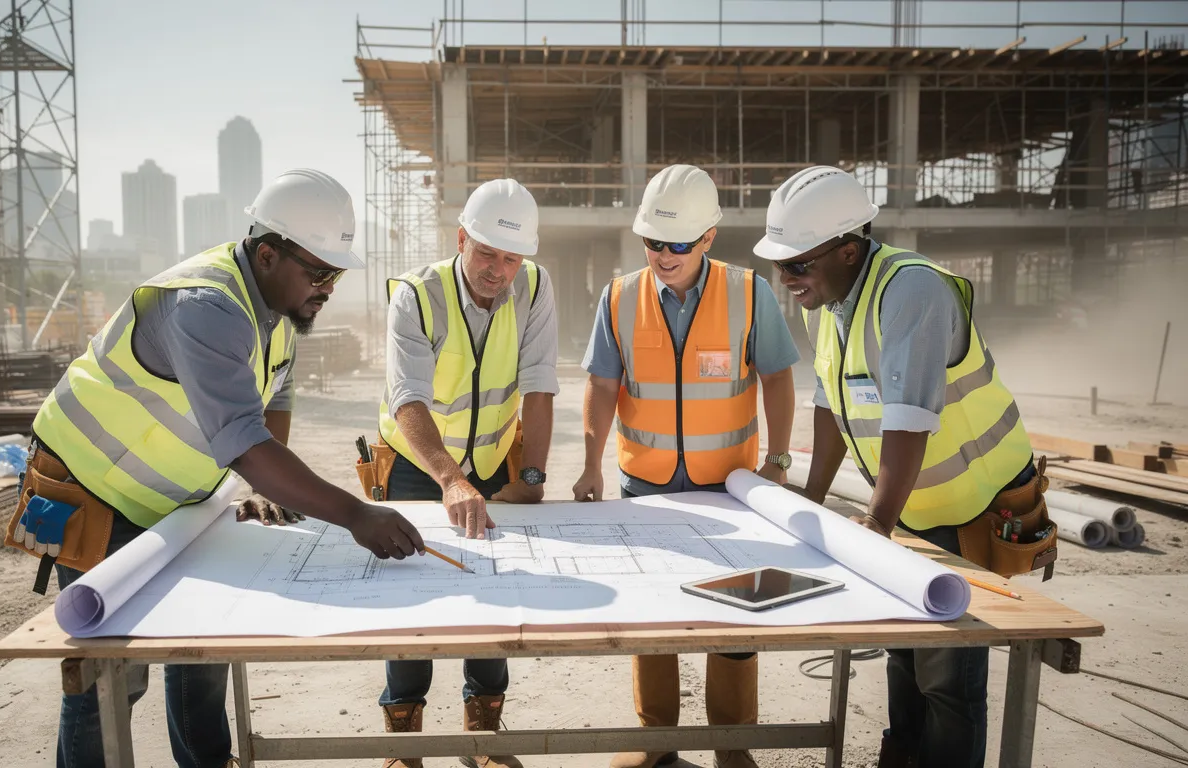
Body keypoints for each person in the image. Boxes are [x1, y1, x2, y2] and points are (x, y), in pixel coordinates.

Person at [8, 169, 425, 768]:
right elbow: (245, 443)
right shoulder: (207, 307)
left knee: (202, 645)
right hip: (92, 489)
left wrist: (271, 488)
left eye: (336, 273)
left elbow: (272, 402)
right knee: (109, 674)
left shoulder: (277, 313)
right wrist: (353, 513)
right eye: (319, 272)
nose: (329, 287)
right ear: (266, 254)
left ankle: (207, 762)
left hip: (175, 502)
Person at [753, 165, 1048, 768]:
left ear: (849, 250)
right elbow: (831, 404)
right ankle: (901, 756)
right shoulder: (826, 302)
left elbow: (909, 418)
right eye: (779, 266)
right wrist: (811, 497)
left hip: (973, 506)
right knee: (902, 650)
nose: (786, 280)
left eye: (797, 265)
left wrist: (877, 522)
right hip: (912, 504)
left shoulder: (911, 291)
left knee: (947, 676)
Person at [575, 164, 800, 768]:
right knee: (653, 610)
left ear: (708, 237)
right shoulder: (619, 296)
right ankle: (656, 740)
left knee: (736, 617)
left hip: (732, 487)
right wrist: (592, 461)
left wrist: (778, 460)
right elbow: (602, 382)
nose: (664, 255)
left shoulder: (749, 291)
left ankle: (732, 746)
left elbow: (778, 376)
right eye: (653, 241)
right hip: (645, 484)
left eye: (678, 243)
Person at [372, 178, 558, 768]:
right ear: (461, 239)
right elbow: (408, 399)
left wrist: (531, 475)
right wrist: (451, 479)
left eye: (511, 257)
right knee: (411, 598)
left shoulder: (533, 286)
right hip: (414, 462)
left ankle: (482, 738)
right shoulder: (418, 294)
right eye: (486, 253)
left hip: (491, 459)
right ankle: (406, 744)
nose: (498, 269)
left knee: (493, 590)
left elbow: (540, 383)